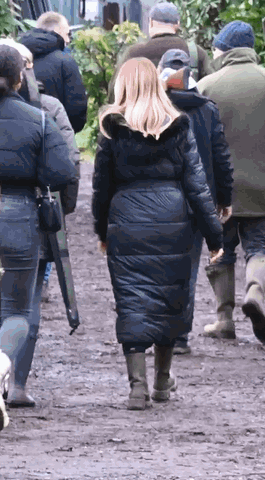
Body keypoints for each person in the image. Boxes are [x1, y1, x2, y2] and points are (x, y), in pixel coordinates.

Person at [90, 58, 223, 410]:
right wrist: (215, 237)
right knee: (169, 299)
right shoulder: (180, 125)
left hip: (127, 220)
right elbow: (197, 186)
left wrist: (102, 230)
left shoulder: (111, 128)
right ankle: (163, 381)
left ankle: (137, 388)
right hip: (173, 219)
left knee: (132, 301)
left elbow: (101, 188)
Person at [0, 43, 75, 425]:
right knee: (19, 310)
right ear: (19, 78)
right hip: (20, 217)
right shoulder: (38, 118)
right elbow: (63, 172)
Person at [196, 20, 265, 343]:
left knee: (221, 250)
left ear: (224, 51)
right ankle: (255, 294)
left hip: (220, 191)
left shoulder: (207, 85)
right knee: (261, 247)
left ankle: (223, 319)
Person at [159, 48, 233, 356]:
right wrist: (224, 198)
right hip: (196, 202)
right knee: (186, 270)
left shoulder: (151, 108)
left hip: (157, 201)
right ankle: (180, 337)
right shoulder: (207, 109)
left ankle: (160, 330)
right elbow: (220, 156)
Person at [17, 11, 88, 133]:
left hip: (20, 134)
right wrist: (67, 131)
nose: (68, 40)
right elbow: (76, 107)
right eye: (67, 34)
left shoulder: (16, 57)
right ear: (58, 32)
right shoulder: (65, 61)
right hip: (57, 134)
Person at [120, 2, 211, 80]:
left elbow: (114, 90)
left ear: (151, 22)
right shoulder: (195, 53)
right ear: (178, 24)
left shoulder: (134, 53)